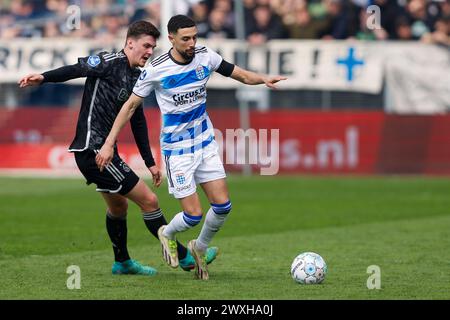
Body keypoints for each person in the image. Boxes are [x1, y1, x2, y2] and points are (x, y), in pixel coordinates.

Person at [18, 20, 217, 276]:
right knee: (149, 201)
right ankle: (186, 257)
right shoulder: (108, 62)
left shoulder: (139, 75)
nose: (149, 51)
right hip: (94, 149)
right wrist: (44, 78)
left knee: (118, 207)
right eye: (145, 45)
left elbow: (137, 120)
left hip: (103, 152)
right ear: (130, 43)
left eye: (153, 47)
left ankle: (122, 262)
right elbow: (76, 69)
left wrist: (150, 162)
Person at [96, 15, 287, 280]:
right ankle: (168, 233)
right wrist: (108, 143)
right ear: (171, 38)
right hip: (177, 150)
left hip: (205, 142)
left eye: (195, 37)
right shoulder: (156, 69)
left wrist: (263, 79)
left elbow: (238, 73)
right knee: (193, 215)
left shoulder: (206, 56)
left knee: (223, 207)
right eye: (185, 39)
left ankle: (200, 247)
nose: (192, 43)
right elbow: (129, 106)